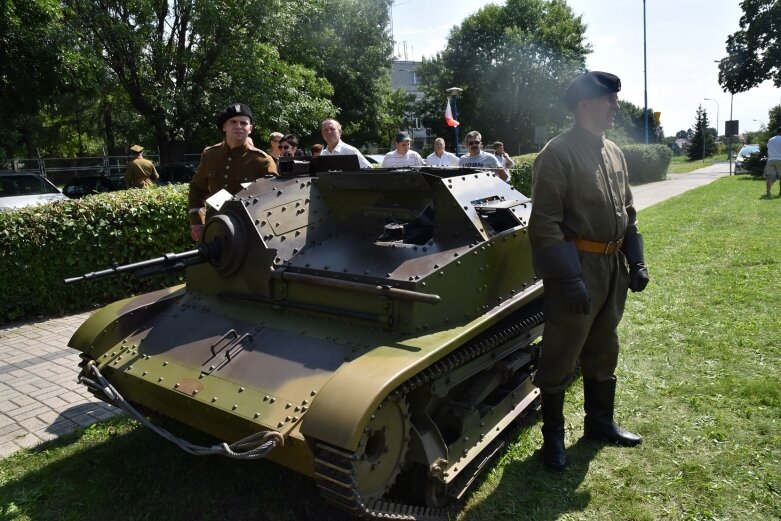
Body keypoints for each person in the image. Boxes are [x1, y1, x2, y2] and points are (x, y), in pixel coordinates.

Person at [528, 71, 648, 471]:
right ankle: (554, 440)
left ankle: (600, 424)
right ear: (584, 106)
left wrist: (637, 260)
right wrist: (569, 278)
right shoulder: (557, 154)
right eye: (608, 99)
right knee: (562, 352)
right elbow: (544, 224)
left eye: (615, 98)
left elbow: (628, 212)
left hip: (612, 267)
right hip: (576, 268)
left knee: (604, 346)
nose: (616, 105)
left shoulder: (613, 151)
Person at [188, 103, 277, 241]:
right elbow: (197, 189)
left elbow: (274, 199)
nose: (238, 126)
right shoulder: (210, 155)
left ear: (250, 128)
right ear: (224, 126)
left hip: (251, 232)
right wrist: (197, 222)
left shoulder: (262, 160)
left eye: (243, 123)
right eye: (233, 122)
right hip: (216, 226)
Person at [764, 127, 781, 198]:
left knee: (769, 177)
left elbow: (768, 149)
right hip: (780, 159)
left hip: (771, 160)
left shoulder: (770, 139)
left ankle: (768, 192)